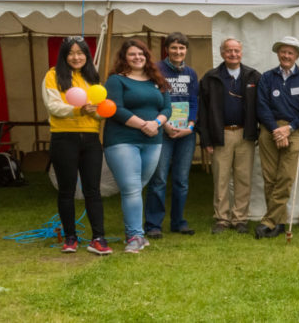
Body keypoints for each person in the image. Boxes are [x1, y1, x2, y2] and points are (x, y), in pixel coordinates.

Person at [42, 36, 112, 255]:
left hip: (90, 139)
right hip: (64, 138)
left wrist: (99, 113)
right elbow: (53, 105)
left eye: (80, 53)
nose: (76, 57)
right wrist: (77, 110)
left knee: (93, 190)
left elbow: (99, 108)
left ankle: (98, 238)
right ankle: (70, 237)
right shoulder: (53, 75)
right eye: (71, 53)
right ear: (64, 55)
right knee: (67, 190)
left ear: (87, 56)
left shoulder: (93, 76)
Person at [104, 38, 171, 254]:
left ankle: (134, 232)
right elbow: (115, 109)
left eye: (141, 54)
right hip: (123, 140)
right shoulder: (116, 80)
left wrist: (157, 123)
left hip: (153, 140)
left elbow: (167, 108)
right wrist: (144, 124)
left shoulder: (157, 80)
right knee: (132, 188)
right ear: (124, 58)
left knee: (136, 187)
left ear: (147, 56)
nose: (137, 57)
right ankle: (135, 237)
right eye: (132, 54)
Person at [255, 36, 299, 239]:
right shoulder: (267, 77)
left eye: (290, 52)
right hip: (269, 130)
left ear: (297, 55)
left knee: (286, 177)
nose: (286, 56)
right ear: (278, 53)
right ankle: (278, 223)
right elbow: (261, 105)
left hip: (294, 130)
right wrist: (275, 129)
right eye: (283, 51)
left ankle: (268, 221)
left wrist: (289, 129)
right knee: (270, 178)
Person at [197, 38, 261, 235]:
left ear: (241, 52)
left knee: (243, 178)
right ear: (222, 53)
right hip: (221, 134)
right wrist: (206, 139)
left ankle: (240, 218)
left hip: (245, 135)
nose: (233, 54)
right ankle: (222, 219)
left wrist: (257, 133)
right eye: (229, 51)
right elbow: (203, 111)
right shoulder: (211, 77)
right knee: (221, 179)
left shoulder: (253, 76)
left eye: (236, 50)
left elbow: (262, 106)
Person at [144, 32, 199, 238]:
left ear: (186, 50)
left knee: (181, 180)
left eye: (182, 48)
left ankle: (178, 222)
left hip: (186, 132)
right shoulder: (156, 70)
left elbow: (194, 101)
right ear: (167, 49)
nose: (178, 52)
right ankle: (153, 224)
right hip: (162, 130)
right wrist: (163, 124)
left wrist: (191, 126)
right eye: (174, 48)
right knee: (158, 179)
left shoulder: (191, 73)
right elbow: (152, 99)